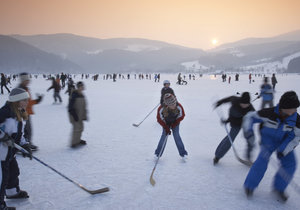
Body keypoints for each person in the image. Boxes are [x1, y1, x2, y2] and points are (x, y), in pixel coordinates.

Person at [243, 91, 300, 202]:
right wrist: (248, 132)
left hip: (284, 143)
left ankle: (279, 188)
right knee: (261, 162)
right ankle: (250, 186)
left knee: (290, 163)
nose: (294, 111)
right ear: (283, 107)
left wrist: (284, 150)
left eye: (295, 108)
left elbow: (296, 137)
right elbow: (249, 117)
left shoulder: (296, 120)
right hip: (267, 142)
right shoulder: (269, 113)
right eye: (291, 108)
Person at [0, 88, 33, 210]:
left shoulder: (19, 112)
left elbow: (20, 134)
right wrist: (3, 137)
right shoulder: (5, 113)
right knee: (1, 178)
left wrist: (25, 146)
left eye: (27, 99)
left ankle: (12, 192)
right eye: (24, 100)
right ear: (16, 101)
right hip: (1, 153)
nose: (27, 102)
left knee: (13, 172)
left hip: (9, 152)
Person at [213, 92, 255, 165]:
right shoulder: (235, 100)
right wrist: (220, 102)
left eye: (246, 104)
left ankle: (248, 158)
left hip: (245, 124)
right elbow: (228, 99)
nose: (244, 106)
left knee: (251, 139)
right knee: (230, 139)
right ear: (240, 101)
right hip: (235, 123)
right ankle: (218, 156)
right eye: (243, 103)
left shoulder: (251, 109)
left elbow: (256, 117)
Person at [155, 93, 187, 157]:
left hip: (175, 122)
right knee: (164, 136)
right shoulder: (161, 108)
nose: (173, 105)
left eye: (174, 103)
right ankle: (158, 154)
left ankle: (183, 154)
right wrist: (166, 127)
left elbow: (182, 115)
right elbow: (159, 119)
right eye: (171, 105)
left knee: (176, 136)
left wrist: (175, 123)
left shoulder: (178, 106)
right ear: (167, 105)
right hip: (165, 123)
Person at [18, 73, 43, 151]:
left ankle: (27, 143)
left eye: (28, 80)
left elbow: (28, 101)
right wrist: (36, 101)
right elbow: (25, 102)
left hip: (27, 112)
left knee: (28, 129)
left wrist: (37, 100)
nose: (28, 81)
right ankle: (24, 144)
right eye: (26, 80)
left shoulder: (25, 88)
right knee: (26, 129)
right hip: (23, 112)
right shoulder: (21, 90)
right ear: (23, 81)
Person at [68, 82, 88, 148]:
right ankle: (73, 143)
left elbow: (84, 106)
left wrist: (84, 115)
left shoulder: (82, 95)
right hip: (75, 115)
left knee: (81, 128)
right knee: (76, 129)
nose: (83, 87)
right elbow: (70, 107)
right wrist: (74, 115)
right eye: (81, 86)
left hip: (80, 115)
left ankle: (78, 140)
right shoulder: (74, 94)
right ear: (79, 87)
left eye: (83, 86)